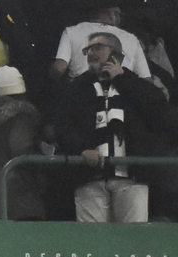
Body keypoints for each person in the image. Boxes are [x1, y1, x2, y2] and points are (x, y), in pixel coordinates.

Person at [53, 31, 172, 223]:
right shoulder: (77, 87)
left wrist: (122, 79)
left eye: (97, 47)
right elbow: (62, 126)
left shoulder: (135, 83)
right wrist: (81, 149)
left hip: (132, 179)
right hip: (90, 178)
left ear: (115, 53)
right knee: (92, 239)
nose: (91, 53)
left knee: (131, 237)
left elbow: (160, 114)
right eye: (88, 49)